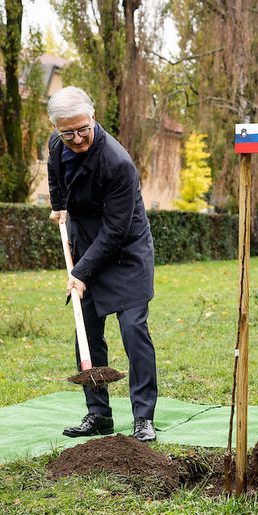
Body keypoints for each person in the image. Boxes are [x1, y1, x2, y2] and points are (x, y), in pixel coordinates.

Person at [46, 86, 158, 443]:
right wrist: (58, 203)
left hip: (125, 250)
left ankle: (143, 417)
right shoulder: (56, 144)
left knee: (132, 330)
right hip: (85, 242)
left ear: (93, 117)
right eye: (68, 133)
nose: (76, 138)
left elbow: (115, 231)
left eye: (83, 129)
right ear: (58, 129)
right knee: (87, 332)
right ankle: (98, 414)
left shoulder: (117, 162)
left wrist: (80, 272)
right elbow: (54, 173)